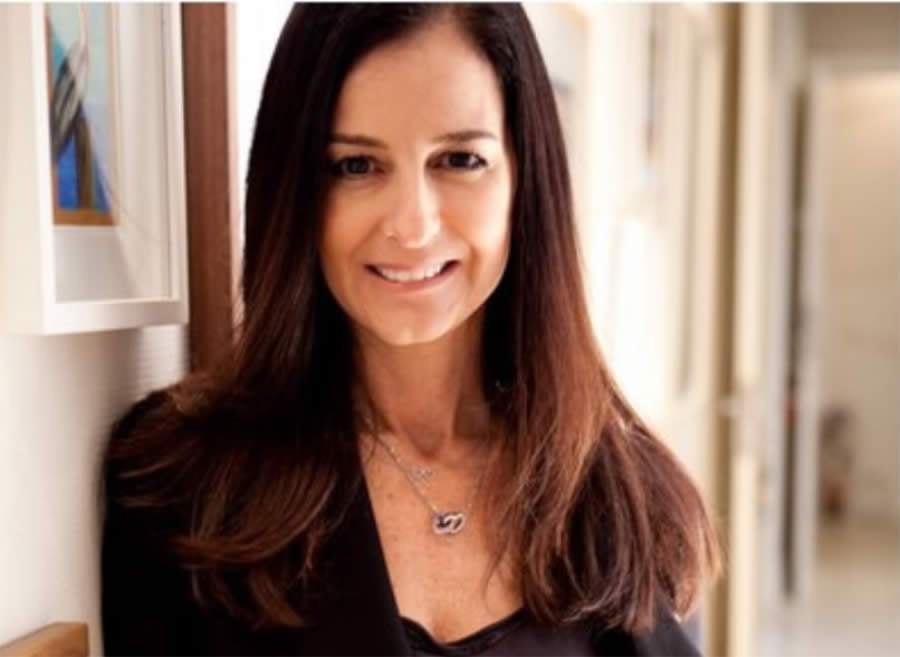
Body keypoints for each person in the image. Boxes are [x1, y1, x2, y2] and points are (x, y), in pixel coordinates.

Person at [100, 4, 722, 656]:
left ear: (523, 177)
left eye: (459, 159)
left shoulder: (627, 496)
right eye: (356, 166)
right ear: (296, 189)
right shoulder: (182, 490)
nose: (413, 225)